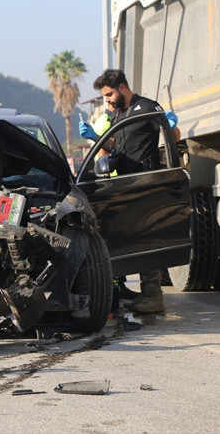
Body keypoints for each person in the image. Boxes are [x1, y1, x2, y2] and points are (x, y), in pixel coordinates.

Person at [79, 69, 180, 314]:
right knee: (131, 238)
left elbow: (173, 136)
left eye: (109, 94)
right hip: (125, 182)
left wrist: (171, 126)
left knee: (145, 237)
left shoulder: (146, 108)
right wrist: (97, 138)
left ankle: (153, 295)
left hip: (146, 181)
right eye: (105, 96)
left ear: (122, 87)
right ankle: (141, 293)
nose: (108, 100)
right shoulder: (119, 115)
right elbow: (117, 146)